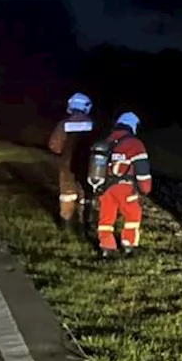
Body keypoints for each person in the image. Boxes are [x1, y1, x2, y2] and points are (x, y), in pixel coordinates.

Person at [93, 112, 152, 256]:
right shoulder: (135, 144)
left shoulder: (106, 141)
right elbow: (142, 170)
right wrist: (145, 189)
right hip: (125, 188)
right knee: (133, 215)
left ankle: (107, 247)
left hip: (105, 187)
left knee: (106, 217)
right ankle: (129, 245)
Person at [47, 92, 95, 231]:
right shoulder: (92, 124)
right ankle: (84, 224)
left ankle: (66, 224)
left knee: (67, 194)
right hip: (87, 165)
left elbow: (54, 146)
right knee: (85, 192)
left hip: (67, 165)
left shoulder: (64, 124)